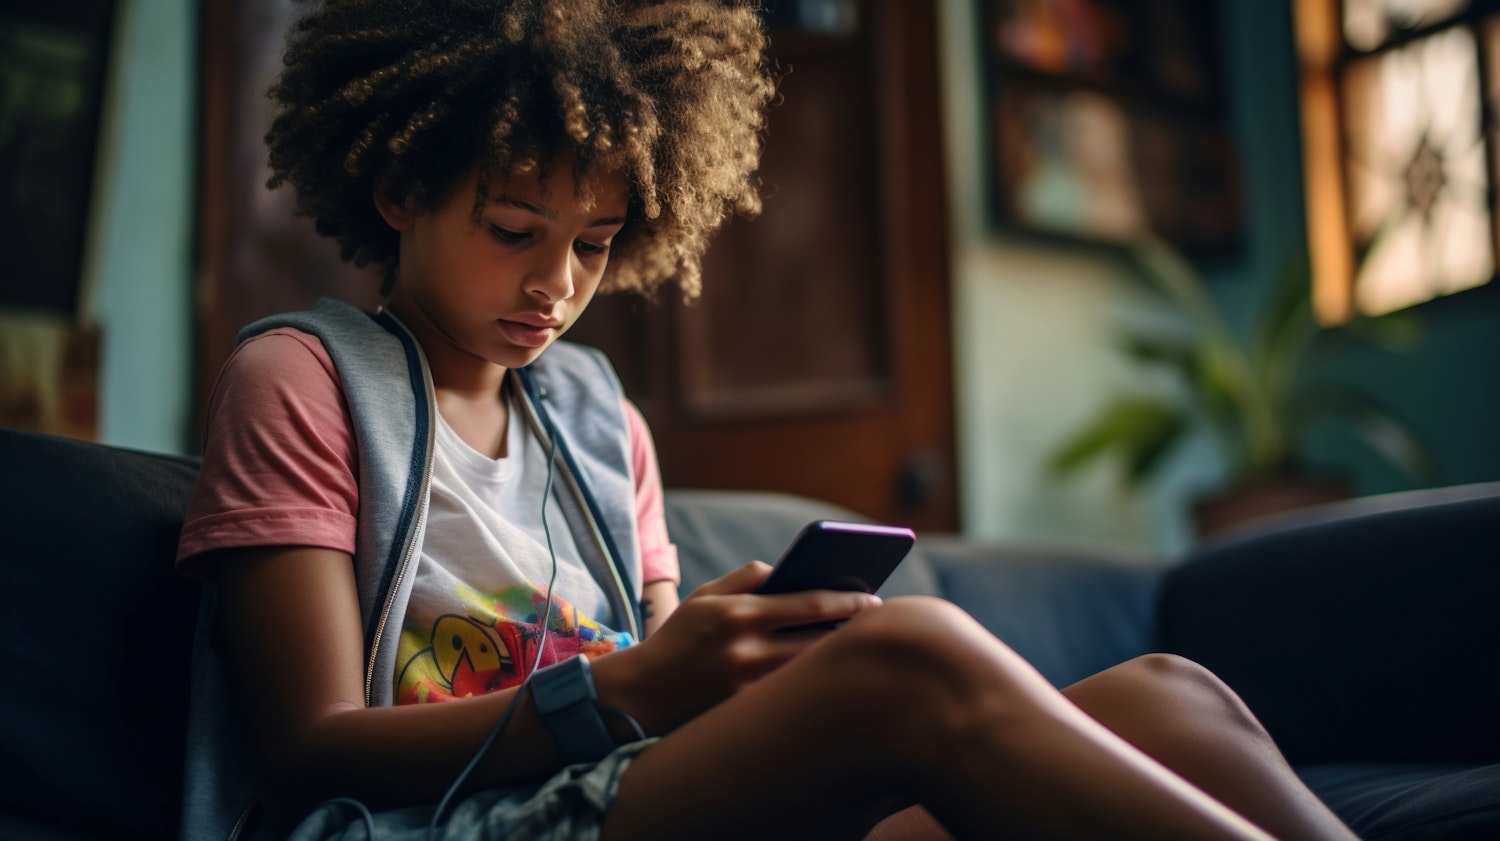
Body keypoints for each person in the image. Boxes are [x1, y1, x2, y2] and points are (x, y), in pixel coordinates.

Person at [175, 2, 1359, 839]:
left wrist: (721, 667)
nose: (556, 285)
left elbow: (670, 706)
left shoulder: (601, 422)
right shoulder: (301, 380)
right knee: (916, 649)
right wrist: (630, 685)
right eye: (512, 227)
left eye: (594, 244)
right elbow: (309, 749)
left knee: (1169, 693)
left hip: (650, 797)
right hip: (451, 823)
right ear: (398, 189)